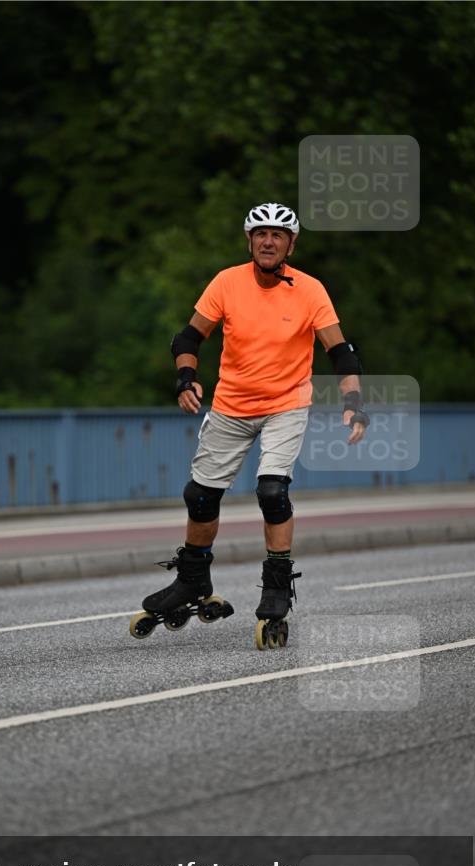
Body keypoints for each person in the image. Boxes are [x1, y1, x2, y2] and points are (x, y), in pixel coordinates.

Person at [134, 202, 369, 647]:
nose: (268, 241)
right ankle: (192, 580)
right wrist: (186, 377)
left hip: (286, 403)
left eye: (278, 235)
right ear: (249, 240)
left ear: (290, 244)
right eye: (260, 233)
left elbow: (341, 351)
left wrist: (354, 402)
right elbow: (188, 337)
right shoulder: (227, 281)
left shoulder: (310, 290)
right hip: (231, 403)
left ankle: (278, 586)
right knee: (200, 495)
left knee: (272, 491)